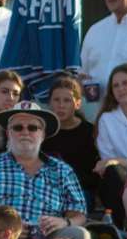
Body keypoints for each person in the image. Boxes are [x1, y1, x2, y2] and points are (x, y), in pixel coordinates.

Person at [0, 102, 88, 239]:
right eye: (17, 127)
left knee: (80, 235)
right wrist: (2, 229)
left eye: (33, 128)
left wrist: (65, 222)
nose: (25, 132)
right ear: (8, 133)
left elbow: (79, 215)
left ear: (43, 134)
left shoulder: (63, 171)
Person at [41, 75, 100, 210]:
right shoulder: (43, 133)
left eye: (67, 100)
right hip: (49, 191)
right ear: (50, 103)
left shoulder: (90, 132)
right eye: (56, 100)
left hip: (80, 191)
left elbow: (95, 173)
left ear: (78, 103)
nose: (61, 105)